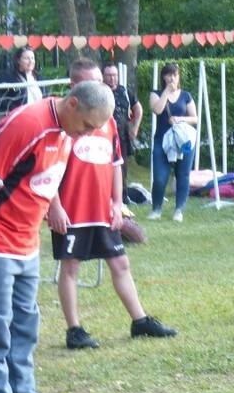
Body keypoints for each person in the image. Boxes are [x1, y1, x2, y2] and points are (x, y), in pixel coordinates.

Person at [0, 80, 115, 393]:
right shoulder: (28, 123)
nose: (88, 134)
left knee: (24, 330)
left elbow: (44, 178)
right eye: (87, 126)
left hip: (27, 244)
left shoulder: (66, 132)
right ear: (72, 104)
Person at [50, 59, 177, 350]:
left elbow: (116, 163)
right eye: (91, 82)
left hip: (102, 209)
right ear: (74, 87)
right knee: (70, 267)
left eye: (100, 82)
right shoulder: (62, 121)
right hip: (72, 210)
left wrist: (117, 203)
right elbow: (47, 167)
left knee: (120, 262)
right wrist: (54, 206)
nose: (99, 87)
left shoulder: (106, 119)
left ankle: (140, 321)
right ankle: (74, 330)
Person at [148, 62, 198, 222]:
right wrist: (166, 92)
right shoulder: (156, 94)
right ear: (163, 77)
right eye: (169, 74)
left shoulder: (186, 96)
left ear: (179, 77)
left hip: (183, 140)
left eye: (175, 75)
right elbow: (157, 110)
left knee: (183, 175)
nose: (172, 78)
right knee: (160, 177)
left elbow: (195, 118)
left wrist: (180, 119)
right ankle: (156, 209)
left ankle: (179, 210)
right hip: (162, 140)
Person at [103, 62, 143, 198]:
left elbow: (138, 109)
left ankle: (122, 197)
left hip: (122, 136)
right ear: (103, 76)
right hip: (103, 135)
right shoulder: (99, 91)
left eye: (114, 75)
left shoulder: (124, 92)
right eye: (108, 75)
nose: (112, 78)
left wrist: (135, 127)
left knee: (121, 167)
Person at [0, 47, 44, 115]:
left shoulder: (39, 78)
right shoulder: (10, 78)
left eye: (32, 58)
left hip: (40, 114)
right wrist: (12, 107)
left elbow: (46, 97)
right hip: (20, 115)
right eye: (27, 58)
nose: (31, 61)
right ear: (18, 61)